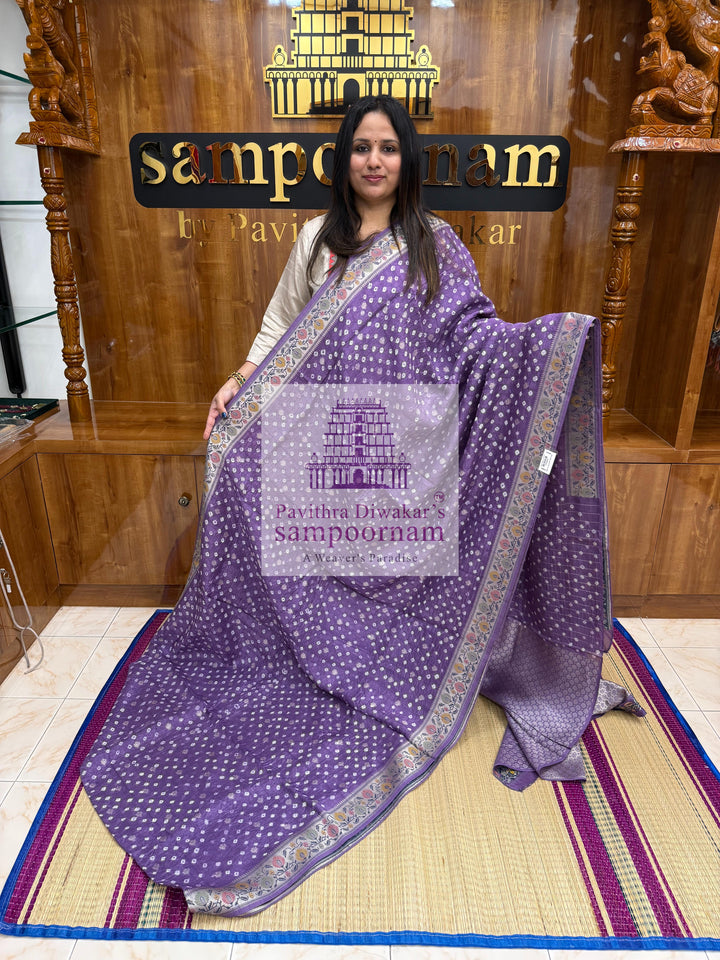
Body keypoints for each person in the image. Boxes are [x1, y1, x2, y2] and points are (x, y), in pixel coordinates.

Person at [81, 96, 644, 918]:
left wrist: (546, 346)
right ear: (344, 161)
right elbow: (280, 332)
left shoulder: (437, 246)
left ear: (406, 161)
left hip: (405, 449)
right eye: (361, 148)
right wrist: (239, 383)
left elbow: (475, 340)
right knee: (256, 492)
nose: (374, 160)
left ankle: (401, 648)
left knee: (406, 576)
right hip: (322, 441)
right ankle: (292, 638)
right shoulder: (317, 241)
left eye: (387, 148)